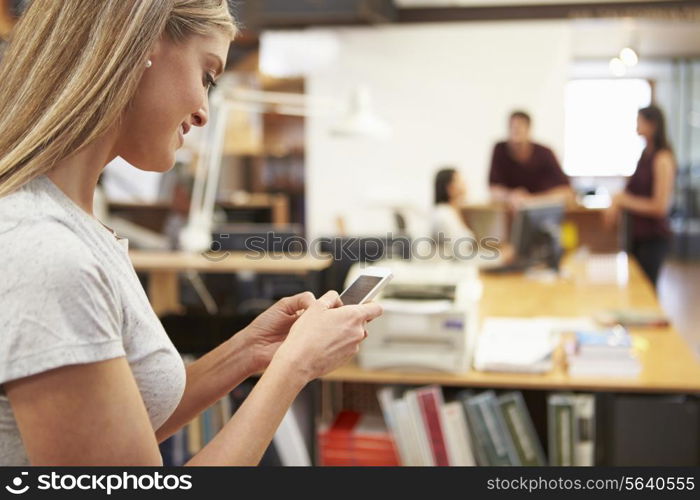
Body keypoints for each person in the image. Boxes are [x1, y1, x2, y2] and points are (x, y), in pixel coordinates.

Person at [0, 0, 382, 466]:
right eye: (207, 74)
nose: (203, 112)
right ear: (139, 46)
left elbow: (121, 433)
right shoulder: (47, 253)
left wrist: (249, 351)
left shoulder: (73, 227)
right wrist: (294, 369)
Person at [604, 105, 676, 288]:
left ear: (652, 125)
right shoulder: (645, 155)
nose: (636, 125)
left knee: (647, 289)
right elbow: (632, 191)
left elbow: (660, 206)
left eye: (639, 121)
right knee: (636, 288)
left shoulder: (662, 158)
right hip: (636, 234)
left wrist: (624, 201)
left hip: (653, 237)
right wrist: (617, 201)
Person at [489, 111, 573, 209]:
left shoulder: (545, 153)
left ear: (528, 129)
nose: (516, 132)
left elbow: (566, 191)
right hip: (511, 211)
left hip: (542, 209)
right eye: (513, 128)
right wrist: (511, 197)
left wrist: (531, 201)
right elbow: (494, 189)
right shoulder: (500, 150)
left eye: (520, 128)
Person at [432, 168, 512, 264]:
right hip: (448, 274)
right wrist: (499, 257)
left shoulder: (454, 213)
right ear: (450, 188)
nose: (466, 185)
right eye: (460, 181)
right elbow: (462, 257)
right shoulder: (443, 215)